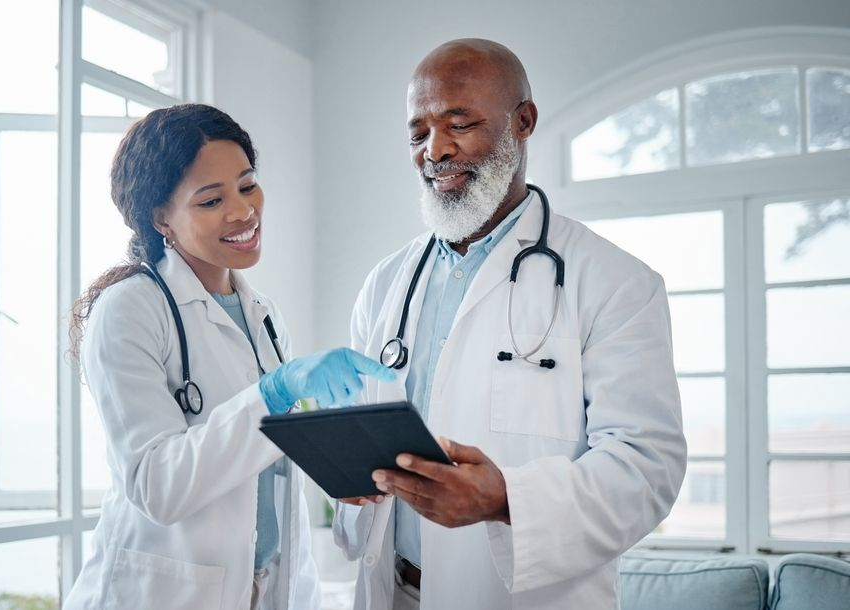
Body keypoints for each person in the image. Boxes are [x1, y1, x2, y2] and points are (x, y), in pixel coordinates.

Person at [332, 39, 687, 610]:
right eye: (418, 133)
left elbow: (647, 469)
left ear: (523, 122)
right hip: (391, 589)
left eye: (460, 124)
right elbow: (363, 426)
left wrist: (506, 499)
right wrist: (347, 474)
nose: (435, 151)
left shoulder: (615, 281)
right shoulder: (385, 283)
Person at [63, 104, 394, 610]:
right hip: (166, 593)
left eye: (247, 185)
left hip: (264, 585)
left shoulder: (262, 313)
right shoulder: (130, 308)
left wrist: (336, 465)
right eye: (211, 199)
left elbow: (260, 456)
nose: (242, 212)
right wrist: (275, 391)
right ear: (160, 219)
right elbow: (158, 487)